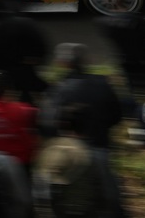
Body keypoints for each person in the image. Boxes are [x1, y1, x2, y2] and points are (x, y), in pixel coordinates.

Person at [39, 43, 127, 218]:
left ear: (62, 63)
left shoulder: (58, 90)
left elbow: (47, 124)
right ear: (85, 61)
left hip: (70, 154)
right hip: (100, 146)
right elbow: (117, 114)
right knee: (107, 192)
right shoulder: (103, 84)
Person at [33, 103, 109, 218]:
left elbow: (39, 185)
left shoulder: (47, 149)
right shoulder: (92, 155)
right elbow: (108, 196)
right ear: (87, 127)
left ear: (60, 124)